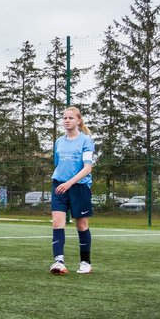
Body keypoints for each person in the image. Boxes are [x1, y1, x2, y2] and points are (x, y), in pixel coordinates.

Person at [49, 106, 96, 275]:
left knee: (81, 224)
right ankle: (58, 262)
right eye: (64, 118)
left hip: (79, 187)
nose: (67, 121)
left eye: (70, 118)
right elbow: (58, 164)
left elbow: (87, 168)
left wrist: (69, 183)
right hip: (59, 186)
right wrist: (63, 182)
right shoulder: (58, 142)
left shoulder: (86, 141)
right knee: (57, 222)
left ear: (78, 120)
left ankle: (85, 262)